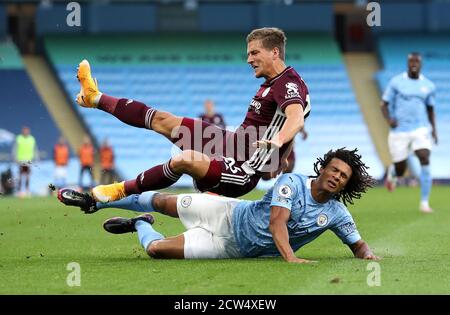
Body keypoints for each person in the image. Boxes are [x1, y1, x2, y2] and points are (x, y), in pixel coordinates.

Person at [72, 27, 311, 203]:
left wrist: (279, 144)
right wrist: (280, 157)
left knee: (184, 159)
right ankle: (94, 97)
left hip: (244, 168)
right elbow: (292, 117)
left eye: (254, 53)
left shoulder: (287, 84)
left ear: (275, 52)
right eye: (248, 54)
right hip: (230, 143)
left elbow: (296, 118)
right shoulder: (275, 83)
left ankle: (121, 189)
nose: (249, 59)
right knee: (164, 119)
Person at [58, 148, 379, 263]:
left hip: (229, 248)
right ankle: (95, 201)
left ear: (347, 184)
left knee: (156, 252)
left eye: (343, 176)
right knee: (160, 200)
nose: (336, 176)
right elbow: (277, 222)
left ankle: (140, 224)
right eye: (334, 169)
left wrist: (368, 255)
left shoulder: (336, 213)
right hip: (226, 213)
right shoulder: (292, 183)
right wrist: (291, 257)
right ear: (322, 169)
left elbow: (358, 245)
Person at [382, 52, 438, 213]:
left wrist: (434, 130)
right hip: (399, 130)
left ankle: (424, 202)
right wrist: (389, 120)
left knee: (424, 156)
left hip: (420, 128)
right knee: (401, 169)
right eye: (411, 60)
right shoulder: (396, 82)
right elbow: (383, 104)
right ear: (408, 63)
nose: (414, 63)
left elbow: (430, 108)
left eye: (417, 61)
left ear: (421, 64)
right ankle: (393, 172)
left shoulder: (429, 85)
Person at [12, 126, 39, 197]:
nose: (26, 132)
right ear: (22, 131)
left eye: (27, 131)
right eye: (24, 131)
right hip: (20, 160)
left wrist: (36, 159)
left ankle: (27, 190)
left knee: (28, 176)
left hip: (29, 160)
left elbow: (35, 149)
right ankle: (20, 191)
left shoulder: (32, 139)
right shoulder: (19, 138)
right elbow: (15, 149)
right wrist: (15, 158)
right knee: (20, 176)